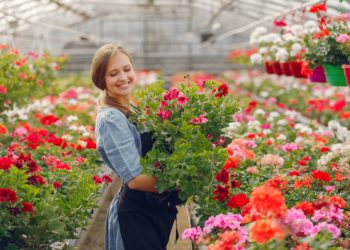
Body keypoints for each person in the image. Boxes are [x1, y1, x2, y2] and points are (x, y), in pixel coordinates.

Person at [91, 43, 178, 250]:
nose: (123, 77)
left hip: (153, 209)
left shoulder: (130, 108)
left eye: (126, 69)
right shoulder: (111, 118)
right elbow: (136, 180)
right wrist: (181, 184)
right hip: (135, 216)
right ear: (101, 80)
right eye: (113, 73)